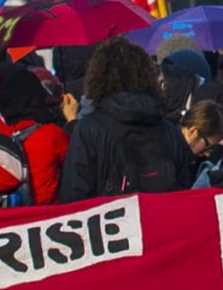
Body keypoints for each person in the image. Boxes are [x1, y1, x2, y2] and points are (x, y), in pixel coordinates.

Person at [62, 39, 194, 196]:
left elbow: (74, 196)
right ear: (147, 75)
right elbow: (186, 191)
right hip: (163, 216)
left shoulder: (88, 129)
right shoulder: (169, 129)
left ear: (97, 78)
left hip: (111, 217)